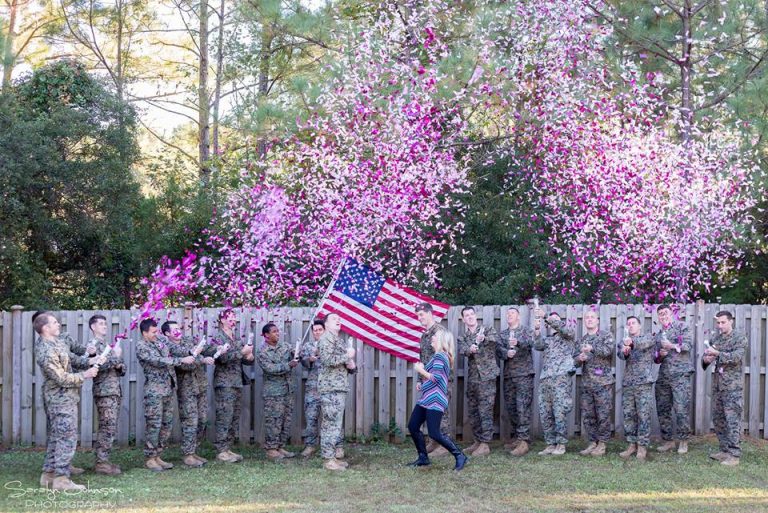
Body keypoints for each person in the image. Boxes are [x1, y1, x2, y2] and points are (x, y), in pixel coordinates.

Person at [35, 313, 103, 490]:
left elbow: (71, 359)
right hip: (59, 400)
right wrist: (85, 375)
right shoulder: (45, 350)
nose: (59, 325)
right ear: (45, 328)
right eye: (55, 323)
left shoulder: (56, 343)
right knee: (66, 438)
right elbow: (61, 378)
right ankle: (62, 479)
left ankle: (48, 475)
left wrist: (90, 361)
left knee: (57, 437)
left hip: (67, 397)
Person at [137, 318, 196, 471]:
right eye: (153, 332)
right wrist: (181, 360)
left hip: (168, 389)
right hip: (154, 391)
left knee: (166, 425)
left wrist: (192, 352)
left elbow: (173, 349)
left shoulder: (160, 342)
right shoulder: (141, 346)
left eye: (157, 331)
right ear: (144, 333)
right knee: (154, 425)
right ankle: (150, 457)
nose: (157, 334)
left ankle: (158, 455)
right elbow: (158, 360)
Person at [407, 329, 469, 471]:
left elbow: (437, 379)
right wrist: (422, 383)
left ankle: (460, 455)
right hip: (426, 399)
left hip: (435, 399)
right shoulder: (436, 357)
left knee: (434, 433)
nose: (432, 337)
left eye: (435, 336)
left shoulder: (441, 356)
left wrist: (420, 370)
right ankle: (423, 457)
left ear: (440, 340)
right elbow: (434, 378)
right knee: (413, 426)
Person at [161, 320, 214, 467]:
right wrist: (201, 359)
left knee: (202, 420)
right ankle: (187, 454)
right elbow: (185, 364)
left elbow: (203, 350)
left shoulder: (189, 340)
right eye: (174, 329)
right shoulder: (169, 347)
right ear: (167, 333)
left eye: (179, 328)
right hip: (186, 388)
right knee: (190, 421)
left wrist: (215, 349)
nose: (178, 330)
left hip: (201, 385)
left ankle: (194, 450)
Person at [703, 311, 747, 466]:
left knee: (732, 420)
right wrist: (706, 359)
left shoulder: (739, 338)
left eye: (723, 322)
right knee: (719, 419)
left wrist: (717, 353)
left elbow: (736, 357)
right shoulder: (716, 338)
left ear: (731, 321)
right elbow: (705, 361)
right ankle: (724, 450)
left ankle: (734, 455)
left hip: (732, 387)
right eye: (718, 323)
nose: (720, 326)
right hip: (718, 386)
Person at [211, 308, 255, 463]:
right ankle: (221, 450)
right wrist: (242, 352)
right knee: (224, 416)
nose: (233, 320)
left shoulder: (235, 338)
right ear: (222, 320)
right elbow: (221, 358)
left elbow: (243, 359)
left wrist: (249, 357)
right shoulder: (218, 337)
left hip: (236, 382)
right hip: (224, 383)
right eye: (230, 318)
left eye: (235, 318)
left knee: (233, 416)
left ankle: (227, 448)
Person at [533, 309, 576, 455]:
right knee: (545, 412)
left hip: (561, 379)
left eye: (556, 319)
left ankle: (561, 444)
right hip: (546, 379)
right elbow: (537, 345)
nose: (553, 322)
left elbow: (563, 328)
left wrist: (546, 316)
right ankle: (550, 443)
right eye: (551, 320)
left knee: (559, 412)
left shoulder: (568, 335)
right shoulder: (547, 340)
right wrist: (537, 329)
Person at [573, 309, 614, 457]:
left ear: (597, 320)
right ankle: (592, 442)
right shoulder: (581, 340)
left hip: (603, 383)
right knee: (588, 415)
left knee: (603, 414)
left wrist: (592, 348)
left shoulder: (605, 336)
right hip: (586, 383)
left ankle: (602, 444)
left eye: (592, 317)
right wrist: (580, 359)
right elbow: (574, 361)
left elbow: (608, 350)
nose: (589, 320)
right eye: (587, 318)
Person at [458, 306, 499, 457]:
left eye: (471, 314)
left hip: (487, 377)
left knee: (486, 410)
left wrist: (484, 339)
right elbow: (463, 350)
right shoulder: (463, 337)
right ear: (463, 319)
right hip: (473, 378)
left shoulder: (487, 330)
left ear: (476, 316)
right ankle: (477, 440)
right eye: (466, 315)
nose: (470, 317)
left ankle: (485, 444)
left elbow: (496, 342)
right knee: (474, 411)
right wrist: (471, 349)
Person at [88, 314, 126, 475]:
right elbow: (97, 365)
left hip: (113, 390)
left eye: (105, 323)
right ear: (93, 327)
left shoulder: (106, 345)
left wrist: (118, 363)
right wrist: (115, 358)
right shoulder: (94, 345)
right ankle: (101, 463)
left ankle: (104, 460)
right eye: (101, 324)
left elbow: (121, 368)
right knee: (107, 427)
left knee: (109, 427)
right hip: (104, 391)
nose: (105, 326)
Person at [653, 304, 693, 454]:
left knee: (681, 409)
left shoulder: (682, 327)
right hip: (664, 376)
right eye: (660, 314)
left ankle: (683, 441)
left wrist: (672, 345)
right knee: (663, 409)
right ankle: (668, 441)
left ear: (672, 314)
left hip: (680, 375)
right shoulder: (658, 335)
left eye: (666, 313)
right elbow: (655, 359)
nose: (663, 316)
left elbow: (688, 345)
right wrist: (660, 355)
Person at [318, 313, 355, 471]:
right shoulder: (325, 339)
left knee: (335, 424)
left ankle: (332, 456)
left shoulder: (337, 340)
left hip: (338, 386)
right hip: (330, 387)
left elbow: (342, 362)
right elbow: (328, 360)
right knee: (330, 424)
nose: (338, 320)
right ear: (325, 324)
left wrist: (351, 364)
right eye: (334, 319)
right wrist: (347, 355)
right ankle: (328, 459)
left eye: (340, 318)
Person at [496, 307, 535, 456]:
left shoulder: (526, 331)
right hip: (508, 376)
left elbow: (531, 344)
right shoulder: (503, 334)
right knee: (512, 408)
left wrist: (518, 343)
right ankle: (517, 437)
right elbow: (498, 350)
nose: (509, 315)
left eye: (512, 313)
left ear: (518, 316)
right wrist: (507, 353)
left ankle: (524, 441)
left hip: (524, 374)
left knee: (522, 407)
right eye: (508, 314)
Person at [257, 322, 299, 460]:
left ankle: (280, 446)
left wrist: (299, 352)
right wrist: (288, 365)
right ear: (266, 335)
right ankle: (271, 449)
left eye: (277, 331)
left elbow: (297, 353)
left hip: (288, 390)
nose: (277, 333)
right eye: (274, 331)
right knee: (273, 421)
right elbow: (270, 369)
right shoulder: (262, 351)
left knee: (285, 420)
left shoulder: (285, 346)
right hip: (273, 392)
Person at [617, 316, 656, 461]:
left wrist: (631, 343)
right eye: (628, 324)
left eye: (633, 323)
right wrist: (625, 351)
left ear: (639, 326)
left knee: (643, 415)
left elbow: (644, 343)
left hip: (643, 383)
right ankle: (631, 444)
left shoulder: (647, 338)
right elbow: (621, 354)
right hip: (628, 383)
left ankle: (642, 446)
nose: (631, 325)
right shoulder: (623, 341)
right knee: (629, 415)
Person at [415, 302, 450, 456]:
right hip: (427, 379)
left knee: (442, 412)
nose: (419, 318)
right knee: (430, 409)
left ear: (430, 313)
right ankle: (433, 442)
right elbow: (422, 358)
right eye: (418, 315)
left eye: (421, 314)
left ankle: (443, 444)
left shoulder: (440, 331)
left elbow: (447, 354)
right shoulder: (424, 335)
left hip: (439, 378)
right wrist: (419, 378)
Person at [299, 319, 325, 458]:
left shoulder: (332, 345)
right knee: (311, 418)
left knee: (330, 418)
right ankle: (310, 446)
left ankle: (333, 446)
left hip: (329, 387)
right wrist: (310, 359)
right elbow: (302, 361)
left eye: (320, 330)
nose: (317, 332)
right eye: (315, 330)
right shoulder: (308, 346)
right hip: (313, 387)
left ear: (325, 330)